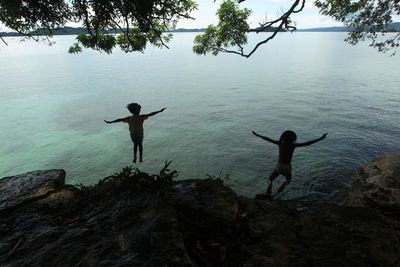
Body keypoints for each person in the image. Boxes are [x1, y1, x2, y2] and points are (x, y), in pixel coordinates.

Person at [252, 130, 327, 196]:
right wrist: (320, 138)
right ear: (293, 139)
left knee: (270, 179)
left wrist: (257, 135)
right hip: (288, 167)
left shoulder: (279, 143)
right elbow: (307, 143)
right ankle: (284, 184)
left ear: (282, 137)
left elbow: (268, 139)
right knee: (288, 180)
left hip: (279, 166)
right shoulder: (293, 145)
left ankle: (270, 185)